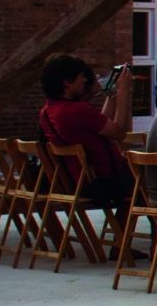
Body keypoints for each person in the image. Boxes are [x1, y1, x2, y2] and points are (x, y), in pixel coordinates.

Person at [38, 54, 135, 210]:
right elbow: (118, 132)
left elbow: (100, 126)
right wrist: (124, 92)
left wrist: (111, 96)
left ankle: (122, 232)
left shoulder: (48, 111)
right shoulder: (77, 110)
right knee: (156, 182)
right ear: (67, 82)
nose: (84, 81)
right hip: (106, 181)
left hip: (78, 180)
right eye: (81, 77)